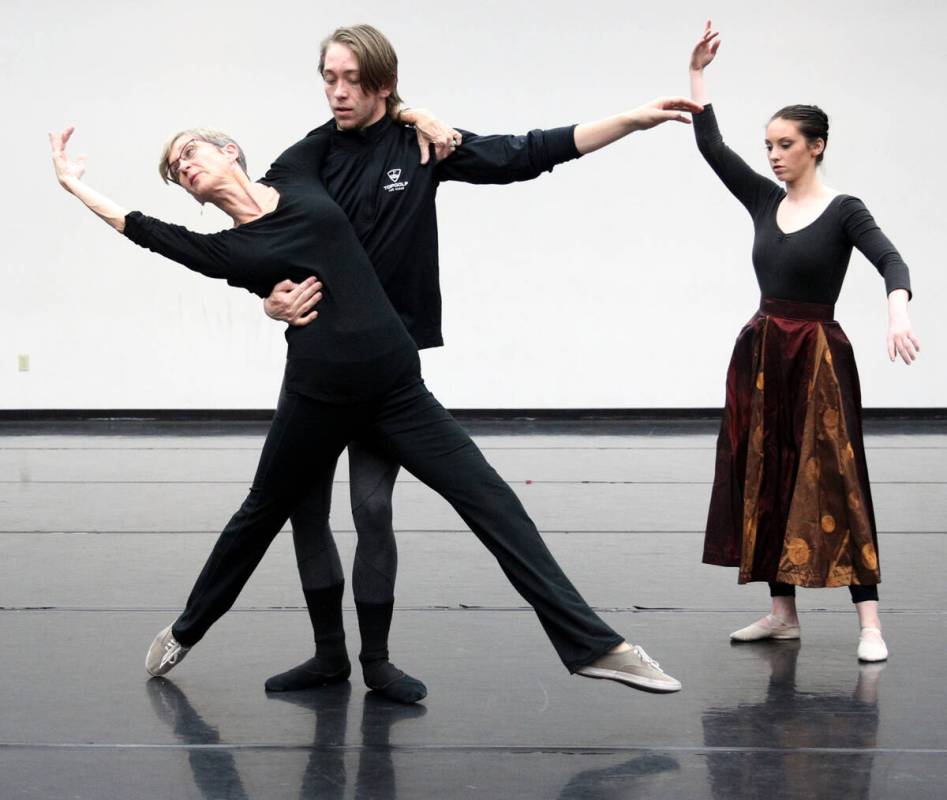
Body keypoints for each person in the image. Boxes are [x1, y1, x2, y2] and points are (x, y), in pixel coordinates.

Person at [48, 116, 686, 695]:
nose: (184, 166)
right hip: (316, 399)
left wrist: (421, 116)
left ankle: (596, 646)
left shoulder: (297, 172)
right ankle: (187, 632)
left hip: (397, 392)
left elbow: (363, 110)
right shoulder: (228, 251)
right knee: (260, 516)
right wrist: (76, 186)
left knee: (491, 500)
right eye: (175, 170)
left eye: (189, 150)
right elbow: (143, 232)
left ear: (230, 149)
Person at [258, 24, 704, 701]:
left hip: (386, 374)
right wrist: (271, 295)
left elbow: (522, 153)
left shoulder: (421, 142)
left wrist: (632, 120)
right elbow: (259, 235)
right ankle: (328, 657)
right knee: (305, 513)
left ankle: (376, 661)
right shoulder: (308, 157)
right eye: (328, 78)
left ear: (382, 82)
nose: (338, 92)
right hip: (317, 368)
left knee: (374, 510)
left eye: (351, 80)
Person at [687, 21, 920, 662]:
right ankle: (781, 612)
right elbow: (713, 147)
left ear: (816, 147)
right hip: (763, 353)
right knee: (767, 472)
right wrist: (698, 74)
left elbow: (892, 262)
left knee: (838, 478)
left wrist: (897, 312)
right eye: (768, 145)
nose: (773, 155)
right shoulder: (764, 200)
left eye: (785, 144)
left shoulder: (845, 210)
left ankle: (869, 624)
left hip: (818, 355)